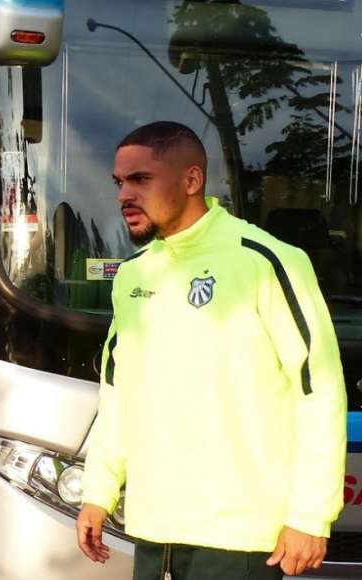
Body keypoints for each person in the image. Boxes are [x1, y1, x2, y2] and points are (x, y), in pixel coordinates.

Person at [75, 121, 346, 579]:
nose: (124, 195)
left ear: (192, 180)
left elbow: (319, 391)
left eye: (140, 179)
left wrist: (310, 515)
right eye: (119, 183)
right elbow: (119, 393)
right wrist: (98, 492)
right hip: (154, 532)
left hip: (238, 540)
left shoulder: (268, 261)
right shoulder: (133, 275)